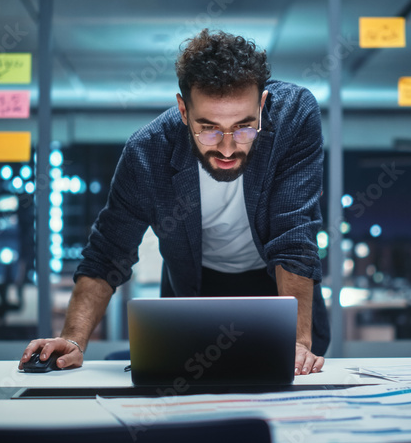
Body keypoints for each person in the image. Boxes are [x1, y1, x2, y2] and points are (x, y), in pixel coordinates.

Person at [20, 29, 330, 375]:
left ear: (262, 105)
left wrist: (299, 344)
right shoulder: (147, 153)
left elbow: (293, 237)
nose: (227, 148)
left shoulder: (294, 118)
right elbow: (107, 254)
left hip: (279, 292)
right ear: (183, 110)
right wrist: (73, 340)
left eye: (243, 127)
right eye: (209, 128)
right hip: (195, 294)